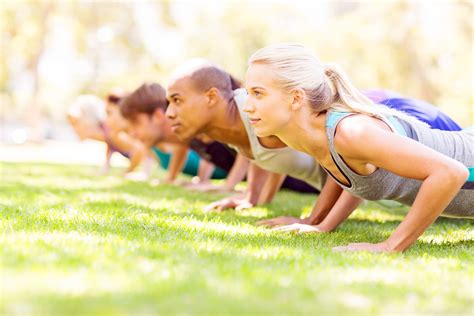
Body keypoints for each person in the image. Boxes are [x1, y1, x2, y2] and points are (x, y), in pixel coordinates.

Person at [243, 43, 473, 252]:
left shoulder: (352, 132)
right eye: (248, 93)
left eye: (258, 94)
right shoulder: (313, 136)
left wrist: (391, 246)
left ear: (295, 98)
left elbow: (451, 172)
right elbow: (353, 173)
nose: (247, 106)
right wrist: (321, 224)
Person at [165, 59, 464, 213]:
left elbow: (339, 156)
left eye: (177, 100)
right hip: (371, 141)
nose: (168, 113)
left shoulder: (259, 111)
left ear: (212, 97)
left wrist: (318, 220)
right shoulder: (238, 124)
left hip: (396, 113)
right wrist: (252, 198)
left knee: (444, 182)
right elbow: (260, 155)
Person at [119, 83, 234, 186]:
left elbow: (246, 140)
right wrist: (170, 178)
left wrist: (230, 185)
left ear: (158, 116)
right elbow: (181, 146)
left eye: (136, 123)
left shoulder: (195, 124)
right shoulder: (182, 137)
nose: (132, 133)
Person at [67, 94, 148, 176]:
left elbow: (139, 150)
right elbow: (109, 145)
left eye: (109, 113)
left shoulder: (115, 132)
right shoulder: (109, 132)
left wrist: (128, 172)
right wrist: (105, 168)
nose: (107, 118)